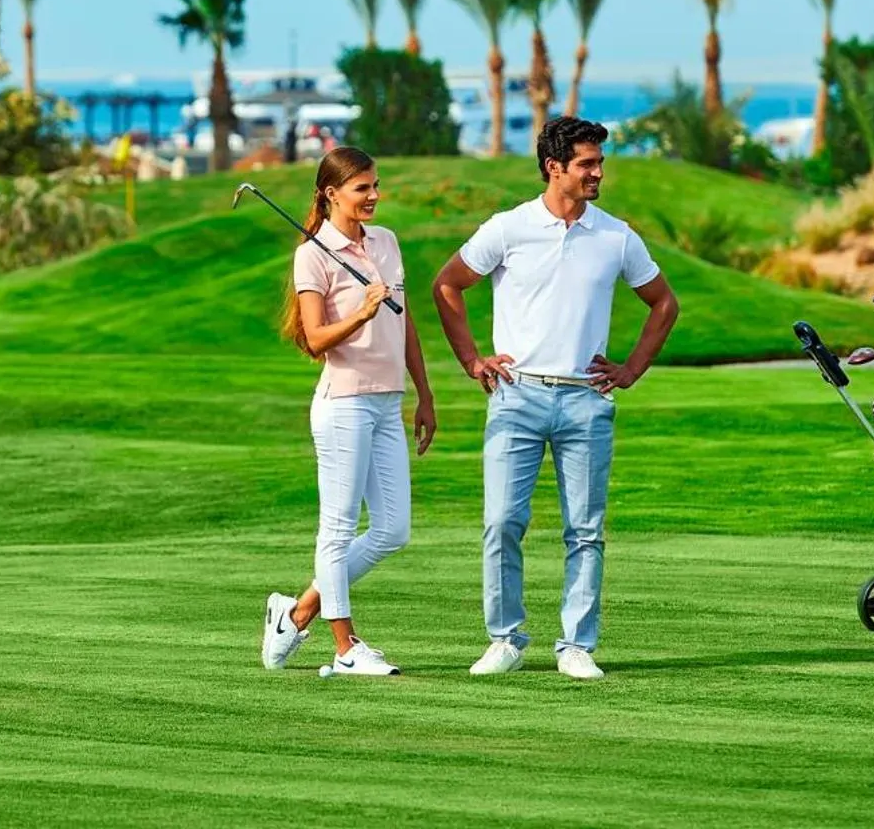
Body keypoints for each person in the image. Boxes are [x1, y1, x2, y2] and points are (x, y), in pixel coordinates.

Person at [432, 116, 679, 680]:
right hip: (516, 398)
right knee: (501, 521)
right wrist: (473, 359)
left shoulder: (616, 236)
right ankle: (505, 638)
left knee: (585, 530)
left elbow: (664, 304)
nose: (597, 174)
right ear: (555, 167)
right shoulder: (508, 228)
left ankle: (576, 646)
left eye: (599, 164)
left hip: (586, 402)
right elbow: (447, 285)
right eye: (587, 164)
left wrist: (632, 369)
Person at [261, 145, 437, 677]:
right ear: (332, 194)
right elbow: (316, 339)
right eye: (362, 188)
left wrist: (424, 394)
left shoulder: (386, 242)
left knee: (393, 530)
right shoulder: (312, 254)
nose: (374, 196)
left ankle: (298, 611)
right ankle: (344, 650)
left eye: (376, 185)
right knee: (336, 529)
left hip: (388, 401)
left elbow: (405, 325)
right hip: (344, 404)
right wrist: (361, 311)